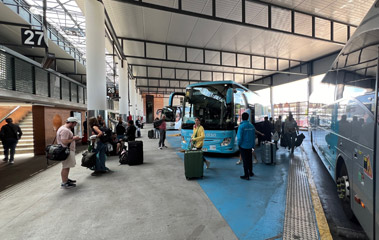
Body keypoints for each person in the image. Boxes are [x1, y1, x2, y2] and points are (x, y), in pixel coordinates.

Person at [56, 117, 80, 188]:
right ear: (71, 123)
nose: (75, 125)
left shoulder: (63, 128)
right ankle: (64, 182)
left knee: (67, 166)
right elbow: (64, 141)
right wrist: (74, 139)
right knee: (66, 167)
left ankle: (66, 179)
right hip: (66, 150)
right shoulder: (65, 130)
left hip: (66, 150)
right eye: (75, 124)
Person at [237, 112, 256, 180]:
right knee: (250, 159)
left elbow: (239, 137)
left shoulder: (241, 126)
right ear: (248, 118)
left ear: (242, 118)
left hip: (243, 146)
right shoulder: (251, 126)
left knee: (245, 160)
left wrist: (238, 144)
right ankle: (251, 172)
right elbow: (253, 136)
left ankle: (246, 175)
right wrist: (253, 145)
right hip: (250, 146)